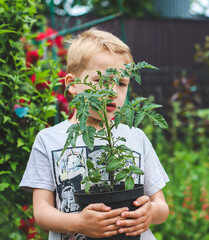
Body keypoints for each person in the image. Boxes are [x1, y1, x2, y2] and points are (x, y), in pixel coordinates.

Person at [20, 28, 170, 240]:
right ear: (72, 84)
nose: (112, 93)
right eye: (100, 81)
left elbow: (161, 206)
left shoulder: (136, 137)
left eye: (121, 83)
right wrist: (79, 223)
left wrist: (151, 213)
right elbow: (42, 212)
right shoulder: (48, 140)